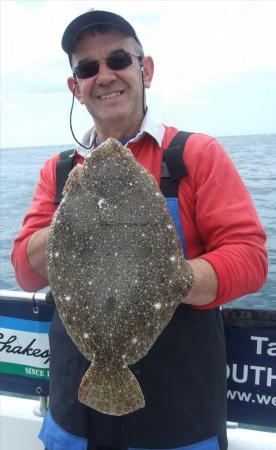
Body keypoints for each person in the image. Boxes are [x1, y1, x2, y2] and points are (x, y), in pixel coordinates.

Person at [11, 9, 268, 450]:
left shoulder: (194, 155)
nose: (105, 75)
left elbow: (250, 258)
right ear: (76, 87)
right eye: (88, 68)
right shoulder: (59, 172)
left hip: (178, 419)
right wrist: (69, 218)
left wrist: (172, 280)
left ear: (145, 70)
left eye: (118, 60)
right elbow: (26, 273)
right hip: (74, 417)